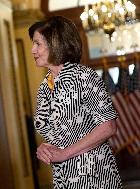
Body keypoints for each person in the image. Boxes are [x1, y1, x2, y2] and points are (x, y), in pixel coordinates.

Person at [29, 16, 122, 189]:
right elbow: (62, 133)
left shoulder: (84, 77)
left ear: (55, 43)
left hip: (94, 174)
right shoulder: (45, 86)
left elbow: (108, 127)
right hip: (63, 177)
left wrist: (64, 153)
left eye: (38, 44)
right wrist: (46, 148)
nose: (33, 50)